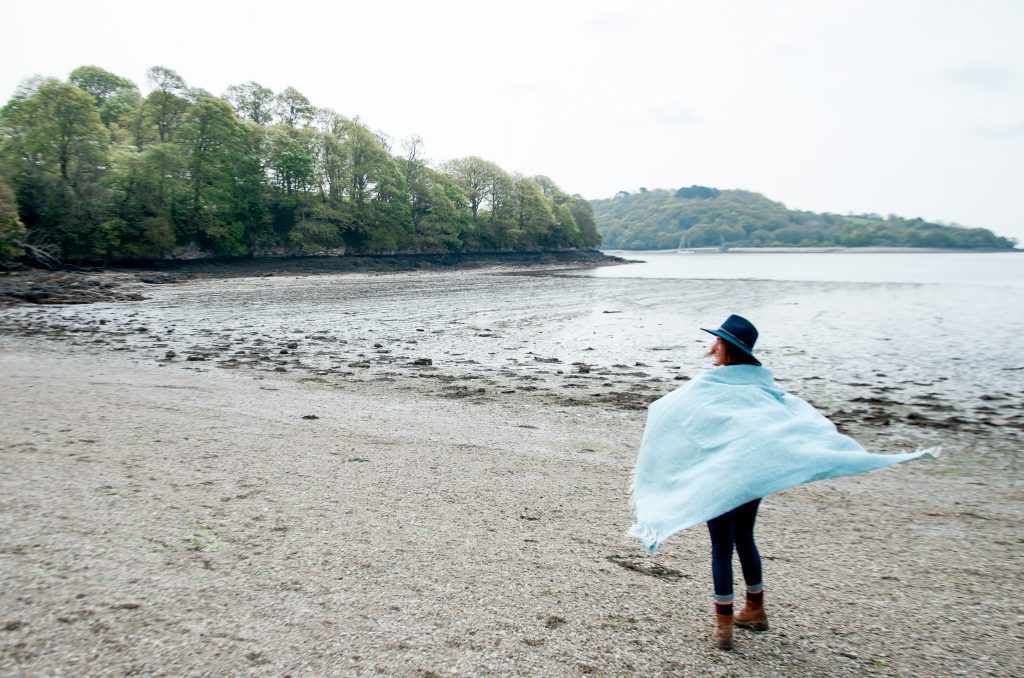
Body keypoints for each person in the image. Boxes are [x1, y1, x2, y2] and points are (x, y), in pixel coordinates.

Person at [629, 314, 936, 651]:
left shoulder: (711, 385)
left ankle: (724, 628)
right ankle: (756, 611)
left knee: (721, 546)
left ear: (727, 347)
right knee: (745, 536)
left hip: (718, 478)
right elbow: (782, 422)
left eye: (718, 341)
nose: (713, 347)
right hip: (750, 475)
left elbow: (670, 412)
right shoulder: (762, 387)